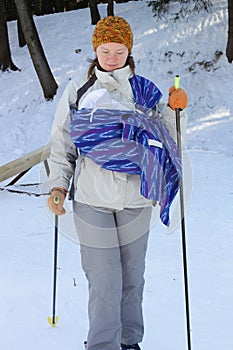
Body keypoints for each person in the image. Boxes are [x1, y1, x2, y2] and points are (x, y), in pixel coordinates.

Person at [47, 16, 188, 350]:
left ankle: (129, 341)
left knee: (132, 276)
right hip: (91, 198)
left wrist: (175, 110)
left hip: (136, 197)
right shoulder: (78, 90)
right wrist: (58, 186)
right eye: (105, 49)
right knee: (104, 279)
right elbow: (63, 143)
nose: (112, 57)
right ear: (96, 49)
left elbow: (166, 139)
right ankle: (101, 345)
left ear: (129, 50)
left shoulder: (144, 90)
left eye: (119, 50)